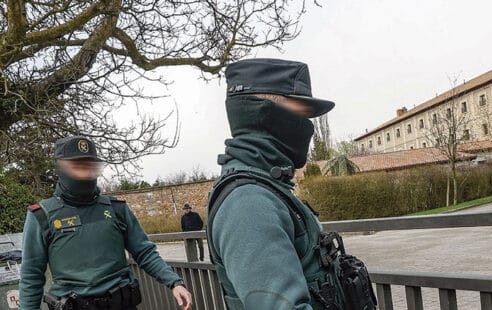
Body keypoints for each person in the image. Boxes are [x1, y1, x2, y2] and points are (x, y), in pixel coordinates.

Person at [207, 59, 376, 310]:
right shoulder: (249, 205)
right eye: (298, 112)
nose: (307, 125)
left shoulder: (268, 189)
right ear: (263, 112)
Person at [19, 136, 193, 310]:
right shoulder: (42, 215)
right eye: (77, 166)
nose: (85, 173)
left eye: (90, 166)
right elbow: (31, 276)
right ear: (61, 169)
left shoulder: (116, 209)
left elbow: (145, 252)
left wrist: (174, 282)